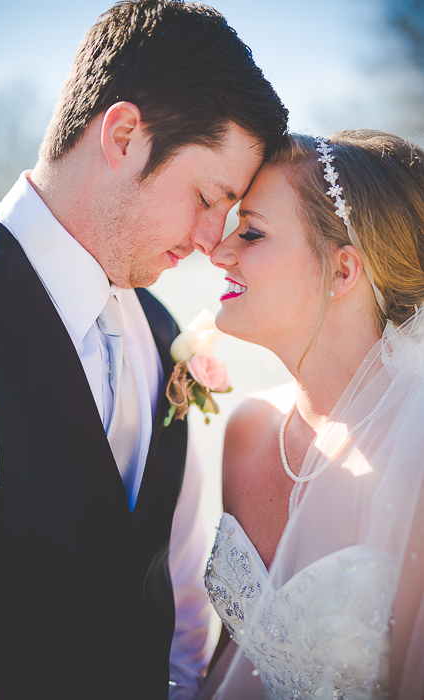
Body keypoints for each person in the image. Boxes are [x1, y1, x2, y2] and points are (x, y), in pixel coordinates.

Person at [0, 1, 288, 698]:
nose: (213, 242)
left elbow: (175, 565)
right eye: (209, 197)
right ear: (122, 136)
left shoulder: (160, 328)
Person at [201, 130, 424, 698]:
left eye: (251, 232)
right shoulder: (249, 432)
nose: (219, 251)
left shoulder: (416, 459)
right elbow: (234, 657)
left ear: (344, 271)